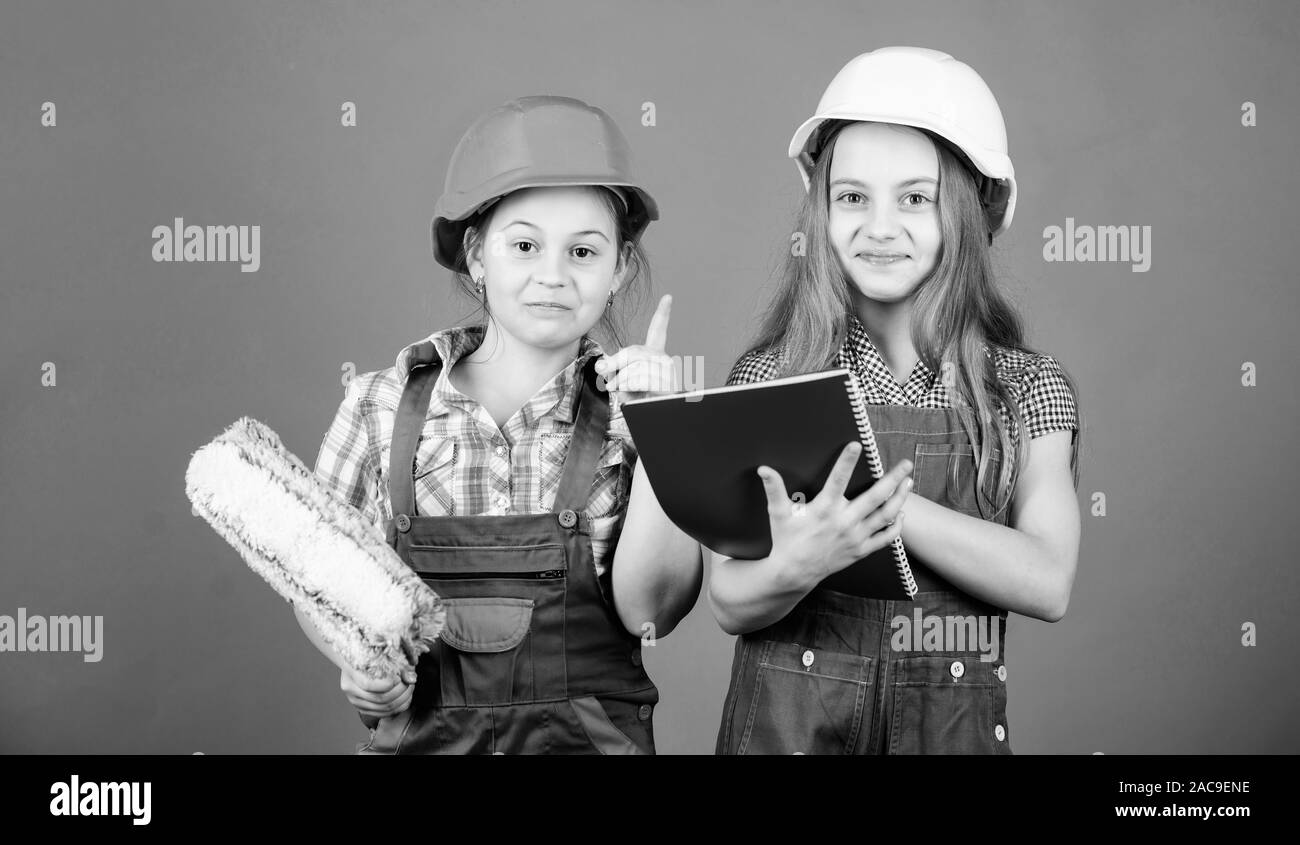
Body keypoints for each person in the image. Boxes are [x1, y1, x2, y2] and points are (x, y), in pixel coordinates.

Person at [299, 95, 703, 754]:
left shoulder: (645, 418)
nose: (553, 274)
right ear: (477, 256)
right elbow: (317, 578)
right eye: (524, 245)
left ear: (619, 268)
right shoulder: (378, 405)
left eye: (583, 251)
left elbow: (652, 614)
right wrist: (357, 658)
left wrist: (664, 440)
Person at [710, 47, 1083, 754]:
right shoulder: (770, 378)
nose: (879, 226)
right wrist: (798, 563)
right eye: (852, 196)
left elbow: (1048, 579)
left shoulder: (1026, 389)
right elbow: (728, 598)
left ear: (971, 211)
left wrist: (885, 508)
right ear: (821, 210)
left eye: (916, 197)